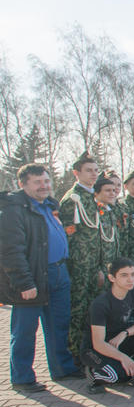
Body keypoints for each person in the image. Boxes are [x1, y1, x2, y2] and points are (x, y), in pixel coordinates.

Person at [1, 164, 80, 392]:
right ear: (22, 184)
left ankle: (62, 368)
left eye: (46, 181)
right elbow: (11, 251)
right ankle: (22, 377)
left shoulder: (50, 205)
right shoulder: (14, 210)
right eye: (37, 182)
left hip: (59, 272)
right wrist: (24, 282)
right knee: (25, 329)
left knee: (59, 324)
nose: (44, 186)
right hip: (33, 276)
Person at [81, 258, 134, 393]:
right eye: (124, 275)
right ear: (112, 278)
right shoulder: (100, 304)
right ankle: (93, 374)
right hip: (94, 350)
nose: (130, 279)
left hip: (118, 342)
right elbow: (98, 343)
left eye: (133, 275)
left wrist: (125, 333)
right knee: (117, 376)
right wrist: (124, 358)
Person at [58, 151, 102, 362]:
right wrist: (77, 264)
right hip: (79, 265)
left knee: (91, 309)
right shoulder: (72, 199)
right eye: (89, 170)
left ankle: (90, 351)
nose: (94, 174)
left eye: (96, 170)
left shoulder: (92, 197)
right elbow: (69, 237)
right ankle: (75, 355)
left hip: (93, 264)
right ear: (76, 173)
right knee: (78, 310)